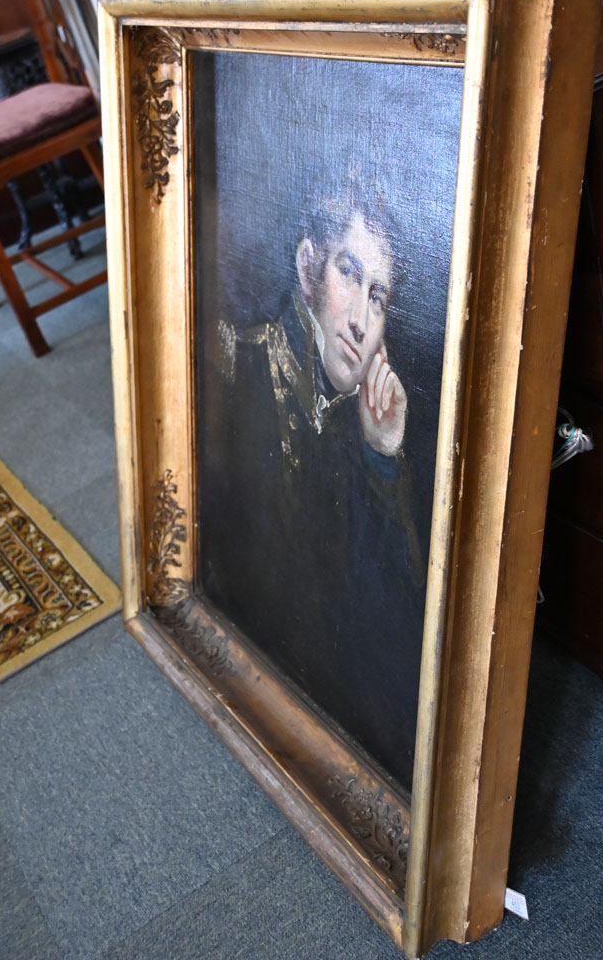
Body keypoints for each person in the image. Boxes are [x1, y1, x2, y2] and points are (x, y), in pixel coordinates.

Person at [200, 185, 426, 788]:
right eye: (348, 274)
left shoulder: (359, 417)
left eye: (378, 297)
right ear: (307, 267)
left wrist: (382, 458)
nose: (359, 318)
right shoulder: (238, 367)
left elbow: (393, 610)